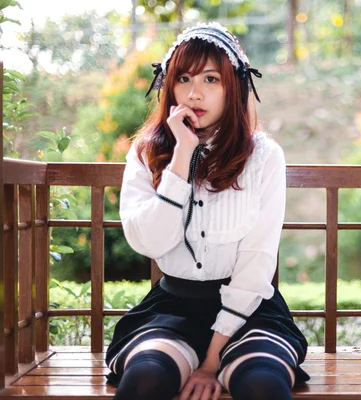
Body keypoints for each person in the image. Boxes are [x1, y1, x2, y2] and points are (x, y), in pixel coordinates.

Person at [105, 22, 310, 400]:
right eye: (183, 78)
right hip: (173, 309)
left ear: (234, 86)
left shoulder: (263, 157)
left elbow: (256, 261)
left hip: (250, 311)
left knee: (262, 383)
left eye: (211, 79)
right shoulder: (145, 154)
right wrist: (181, 157)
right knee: (146, 379)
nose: (195, 93)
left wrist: (211, 362)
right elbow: (149, 242)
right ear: (169, 85)